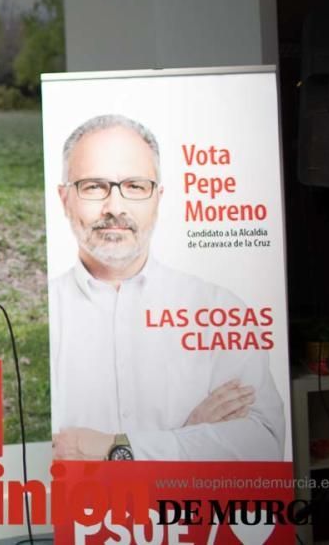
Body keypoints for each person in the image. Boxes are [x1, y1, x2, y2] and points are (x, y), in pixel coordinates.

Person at [49, 114, 285, 461]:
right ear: (64, 198)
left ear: (159, 197)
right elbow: (41, 456)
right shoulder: (43, 315)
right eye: (94, 186)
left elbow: (263, 447)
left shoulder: (219, 309)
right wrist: (189, 441)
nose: (115, 207)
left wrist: (115, 449)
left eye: (134, 186)